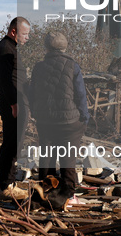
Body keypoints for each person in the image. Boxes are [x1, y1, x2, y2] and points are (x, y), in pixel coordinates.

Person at [29, 31, 89, 201]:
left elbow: (32, 93)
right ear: (65, 47)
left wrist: (36, 113)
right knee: (68, 158)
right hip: (70, 122)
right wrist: (84, 117)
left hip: (45, 121)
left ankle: (45, 194)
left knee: (47, 158)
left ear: (46, 47)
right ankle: (68, 197)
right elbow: (80, 95)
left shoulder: (38, 67)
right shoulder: (73, 66)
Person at [0, 17, 31, 200]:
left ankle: (10, 184)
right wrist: (14, 103)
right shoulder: (5, 49)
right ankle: (6, 187)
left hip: (16, 101)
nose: (27, 38)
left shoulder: (9, 48)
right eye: (24, 34)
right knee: (11, 144)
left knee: (15, 143)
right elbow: (6, 80)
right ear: (14, 32)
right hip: (13, 103)